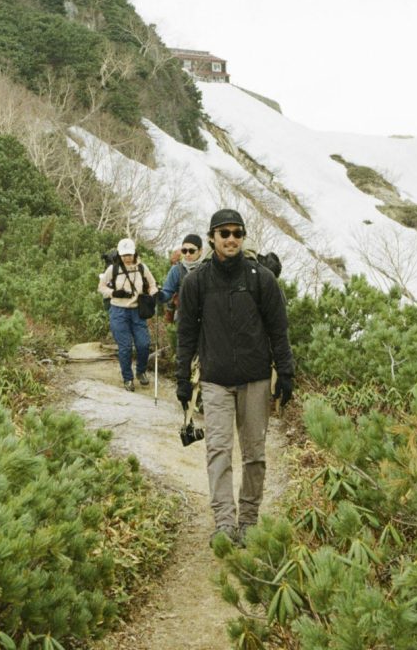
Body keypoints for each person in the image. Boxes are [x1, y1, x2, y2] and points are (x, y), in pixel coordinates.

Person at [175, 209, 294, 546]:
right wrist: (183, 379)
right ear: (212, 237)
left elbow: (278, 331)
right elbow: (185, 334)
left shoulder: (261, 278)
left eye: (237, 233)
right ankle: (225, 523)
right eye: (223, 233)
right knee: (219, 452)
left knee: (254, 454)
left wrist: (285, 373)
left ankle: (249, 521)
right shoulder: (196, 282)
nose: (231, 239)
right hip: (215, 380)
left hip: (255, 380)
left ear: (243, 237)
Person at [98, 237, 159, 392]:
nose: (127, 257)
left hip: (137, 311)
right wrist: (113, 293)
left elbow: (153, 285)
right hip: (118, 311)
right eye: (124, 254)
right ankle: (128, 378)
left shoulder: (142, 268)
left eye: (129, 254)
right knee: (125, 347)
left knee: (143, 344)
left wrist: (152, 295)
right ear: (119, 254)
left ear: (134, 253)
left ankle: (140, 372)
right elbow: (101, 287)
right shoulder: (113, 269)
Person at [158, 233, 205, 322]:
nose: (187, 254)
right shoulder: (176, 270)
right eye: (184, 251)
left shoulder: (208, 268)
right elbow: (167, 292)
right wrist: (158, 294)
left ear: (200, 251)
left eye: (191, 251)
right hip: (183, 318)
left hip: (205, 318)